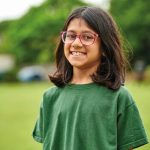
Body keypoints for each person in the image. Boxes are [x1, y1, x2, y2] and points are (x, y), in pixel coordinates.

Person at [32, 6, 148, 150]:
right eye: (71, 35)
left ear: (105, 47)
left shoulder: (119, 98)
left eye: (87, 37)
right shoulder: (50, 97)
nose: (76, 43)